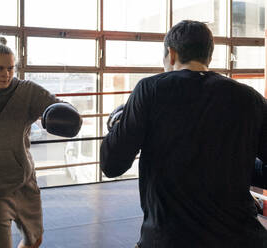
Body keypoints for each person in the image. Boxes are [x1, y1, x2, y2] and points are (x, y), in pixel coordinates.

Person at [100, 20, 267, 248]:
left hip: (168, 239)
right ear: (208, 56)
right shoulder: (250, 98)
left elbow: (112, 165)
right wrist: (239, 165)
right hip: (242, 238)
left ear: (171, 54)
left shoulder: (150, 90)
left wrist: (118, 125)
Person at [0, 37, 82, 248]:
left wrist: (63, 115)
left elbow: (59, 105)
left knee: (34, 239)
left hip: (24, 183)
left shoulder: (27, 91)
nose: (6, 74)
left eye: (10, 68)